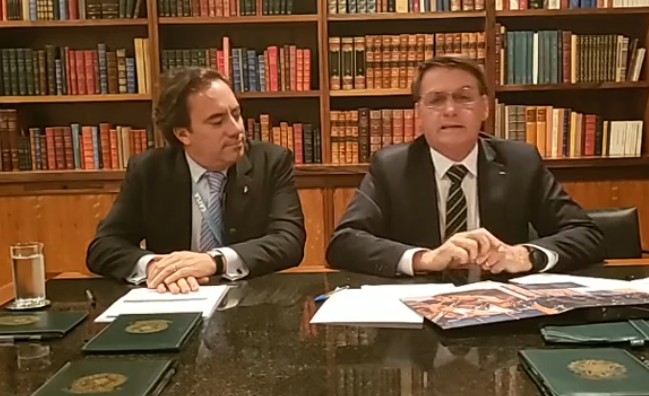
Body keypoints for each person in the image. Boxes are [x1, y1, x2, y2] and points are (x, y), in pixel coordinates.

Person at [326, 55, 604, 278]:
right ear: (418, 113)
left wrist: (524, 255)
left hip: (502, 307)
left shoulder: (520, 162)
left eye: (463, 97)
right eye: (436, 100)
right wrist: (426, 259)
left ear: (485, 108)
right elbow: (344, 242)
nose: (450, 110)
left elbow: (586, 234)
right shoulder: (391, 167)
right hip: (419, 308)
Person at [86, 67, 306, 293]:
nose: (236, 129)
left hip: (250, 298)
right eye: (217, 122)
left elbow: (288, 240)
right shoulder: (149, 170)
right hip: (176, 296)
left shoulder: (271, 162)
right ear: (183, 134)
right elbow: (103, 247)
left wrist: (215, 261)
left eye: (236, 114)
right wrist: (155, 267)